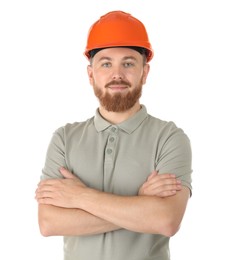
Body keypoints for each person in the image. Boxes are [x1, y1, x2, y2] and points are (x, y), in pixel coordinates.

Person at [35, 10, 192, 260]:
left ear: (145, 72)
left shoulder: (169, 138)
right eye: (106, 63)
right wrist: (139, 204)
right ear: (91, 74)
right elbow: (49, 222)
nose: (117, 75)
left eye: (128, 63)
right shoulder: (64, 139)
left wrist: (79, 197)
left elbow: (166, 220)